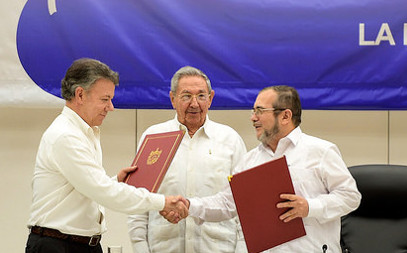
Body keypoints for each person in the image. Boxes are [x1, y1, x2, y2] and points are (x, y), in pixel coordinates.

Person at [164, 85, 362, 252]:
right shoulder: (250, 160)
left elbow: (350, 197)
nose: (253, 118)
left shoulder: (320, 151)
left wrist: (309, 207)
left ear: (285, 116)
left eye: (260, 111)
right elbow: (227, 204)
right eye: (253, 111)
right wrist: (189, 206)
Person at [26, 58, 187, 253]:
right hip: (57, 246)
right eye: (105, 99)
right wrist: (162, 202)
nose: (111, 107)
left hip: (81, 244)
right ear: (80, 95)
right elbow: (102, 191)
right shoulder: (65, 136)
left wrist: (115, 182)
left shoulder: (86, 131)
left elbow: (86, 189)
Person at [127, 66, 248, 253]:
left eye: (201, 96)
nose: (194, 103)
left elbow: (244, 203)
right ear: (172, 98)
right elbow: (137, 199)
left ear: (211, 98)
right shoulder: (154, 138)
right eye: (186, 96)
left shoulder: (230, 140)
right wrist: (140, 247)